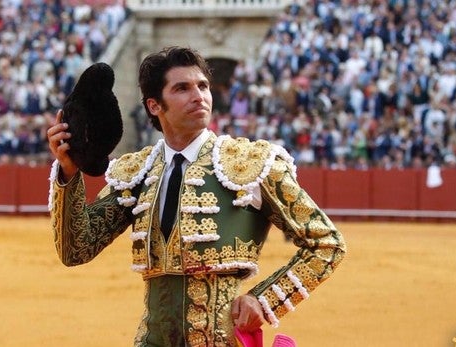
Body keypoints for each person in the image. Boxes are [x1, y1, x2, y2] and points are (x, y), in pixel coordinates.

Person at [46, 46, 346, 346]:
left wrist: (264, 299)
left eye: (203, 86)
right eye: (182, 88)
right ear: (154, 106)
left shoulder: (251, 163)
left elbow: (326, 244)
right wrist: (69, 175)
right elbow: (77, 249)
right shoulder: (137, 173)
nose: (198, 95)